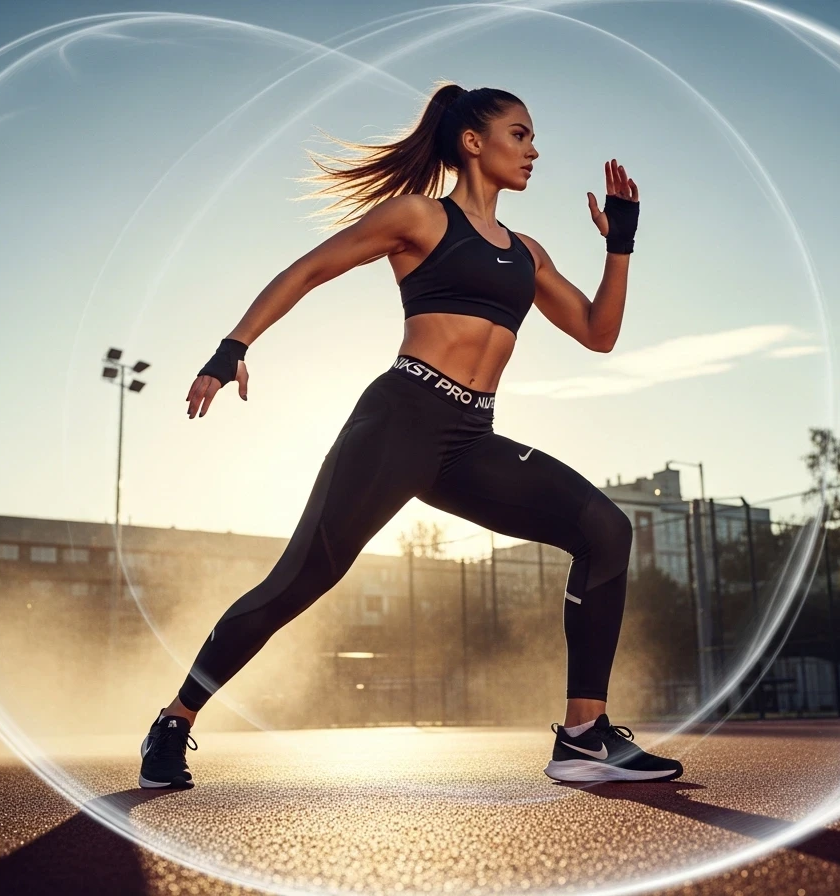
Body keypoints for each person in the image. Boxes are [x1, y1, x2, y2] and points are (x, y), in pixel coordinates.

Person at [139, 82, 684, 789]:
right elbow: (308, 269)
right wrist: (231, 346)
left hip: (469, 439)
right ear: (472, 141)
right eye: (519, 134)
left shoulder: (529, 253)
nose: (533, 149)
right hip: (400, 419)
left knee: (606, 530)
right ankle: (176, 718)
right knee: (301, 580)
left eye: (532, 136)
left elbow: (597, 334)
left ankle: (582, 739)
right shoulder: (419, 218)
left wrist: (622, 244)